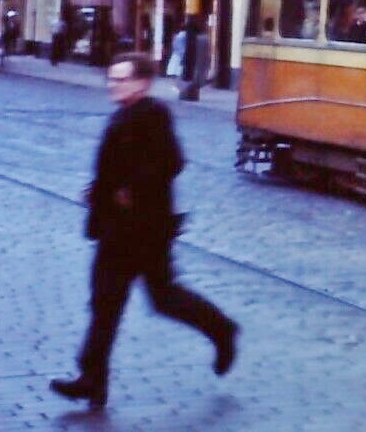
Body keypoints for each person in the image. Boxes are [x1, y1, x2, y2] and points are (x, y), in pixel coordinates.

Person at [49, 54, 239, 410]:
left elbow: (172, 161)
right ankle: (92, 380)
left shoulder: (153, 114)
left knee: (163, 298)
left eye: (120, 79)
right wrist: (101, 190)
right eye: (111, 79)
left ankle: (222, 329)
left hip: (144, 230)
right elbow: (119, 165)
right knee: (105, 304)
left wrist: (129, 190)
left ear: (141, 83)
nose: (113, 85)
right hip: (117, 229)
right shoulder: (125, 114)